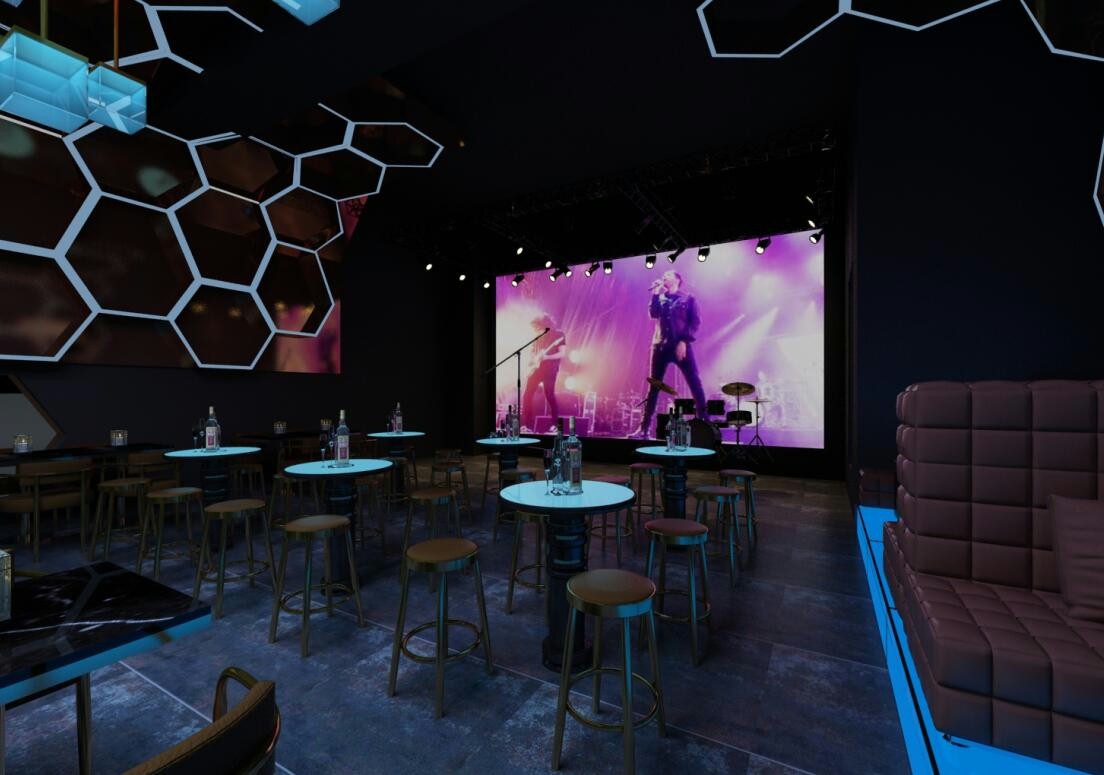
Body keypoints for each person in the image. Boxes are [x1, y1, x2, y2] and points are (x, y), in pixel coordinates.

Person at [634, 270, 708, 438]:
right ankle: (644, 429)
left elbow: (695, 322)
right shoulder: (660, 297)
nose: (663, 277)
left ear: (677, 280)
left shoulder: (688, 299)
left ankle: (706, 425)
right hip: (660, 346)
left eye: (667, 275)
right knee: (654, 387)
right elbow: (653, 314)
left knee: (695, 383)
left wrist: (684, 341)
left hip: (680, 345)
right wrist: (655, 293)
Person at [522, 314, 565, 432]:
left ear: (543, 324)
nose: (535, 329)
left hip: (550, 370)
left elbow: (562, 353)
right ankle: (526, 425)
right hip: (536, 369)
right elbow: (533, 351)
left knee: (549, 395)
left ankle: (555, 425)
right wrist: (533, 360)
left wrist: (546, 357)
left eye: (536, 327)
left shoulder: (558, 334)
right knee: (527, 395)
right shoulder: (537, 336)